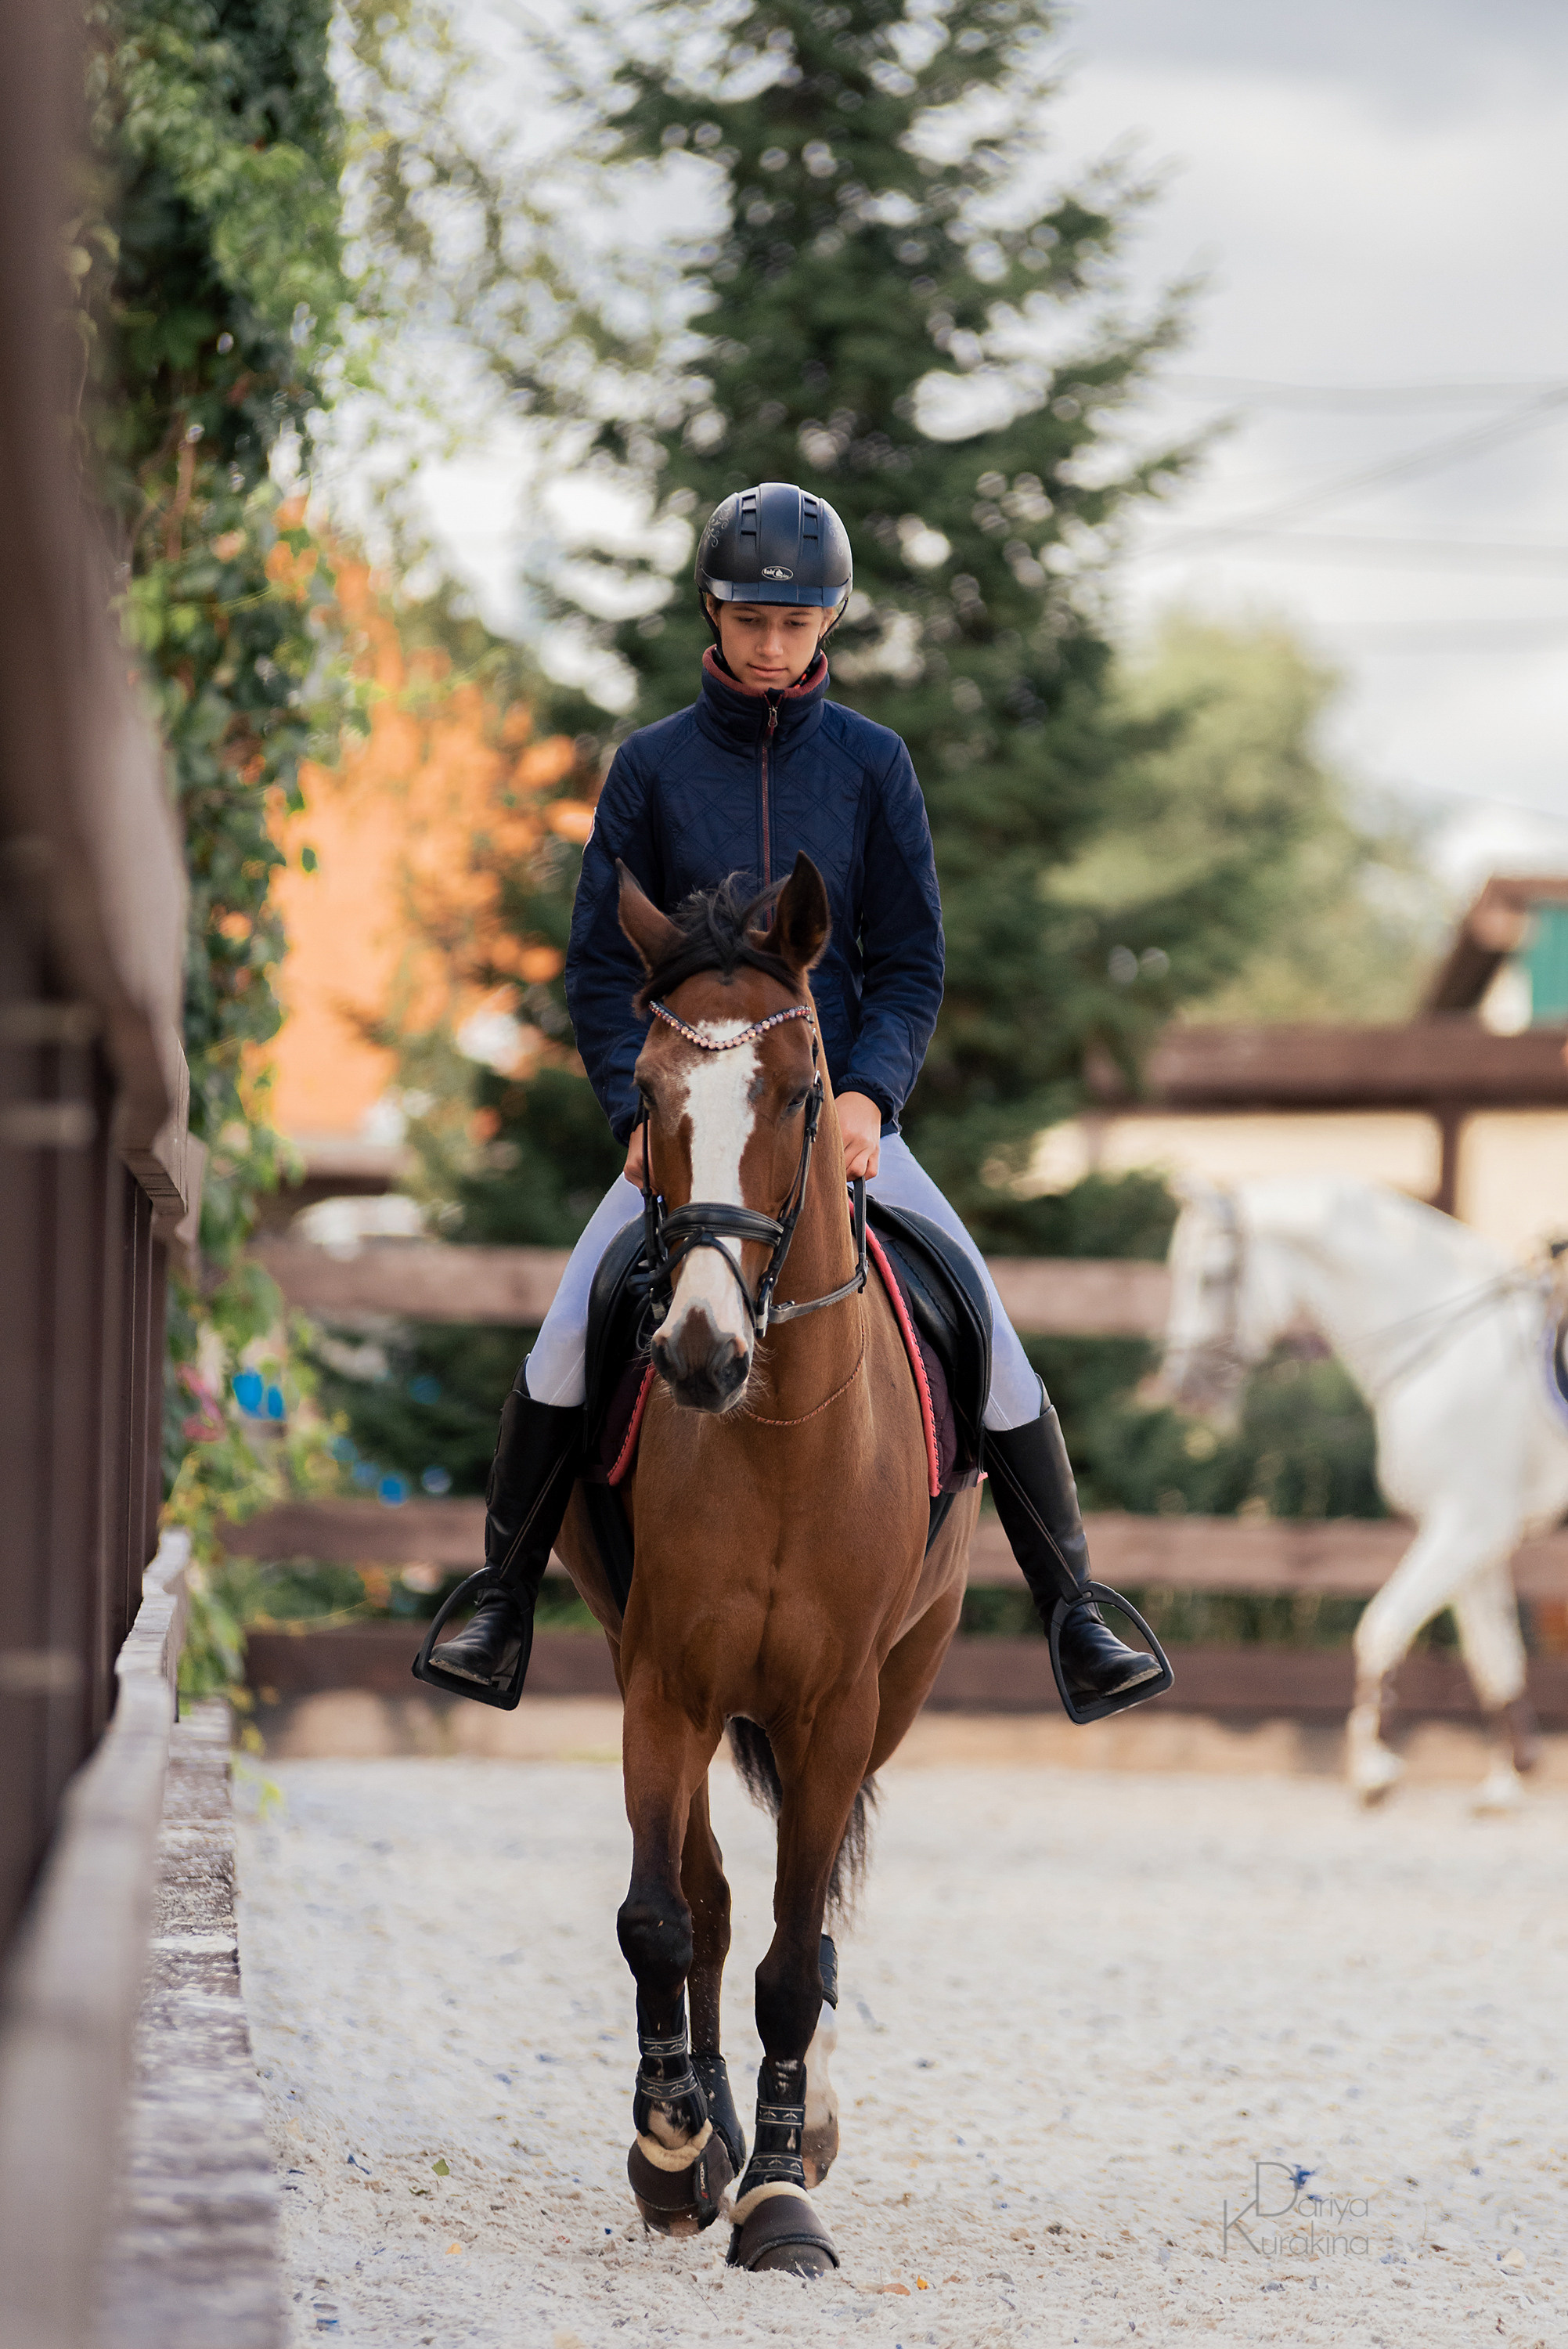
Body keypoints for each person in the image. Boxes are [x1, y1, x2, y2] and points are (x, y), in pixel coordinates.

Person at [434, 481, 1162, 1716]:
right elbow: (606, 967)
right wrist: (631, 1115)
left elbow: (915, 960)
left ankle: (1076, 1609)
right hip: (683, 1130)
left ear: (829, 623)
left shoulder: (876, 767)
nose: (773, 646)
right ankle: (498, 1597)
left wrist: (874, 1096)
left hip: (835, 1113)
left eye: (797, 622)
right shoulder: (651, 769)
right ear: (711, 616)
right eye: (751, 620)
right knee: (570, 1327)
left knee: (992, 1336)